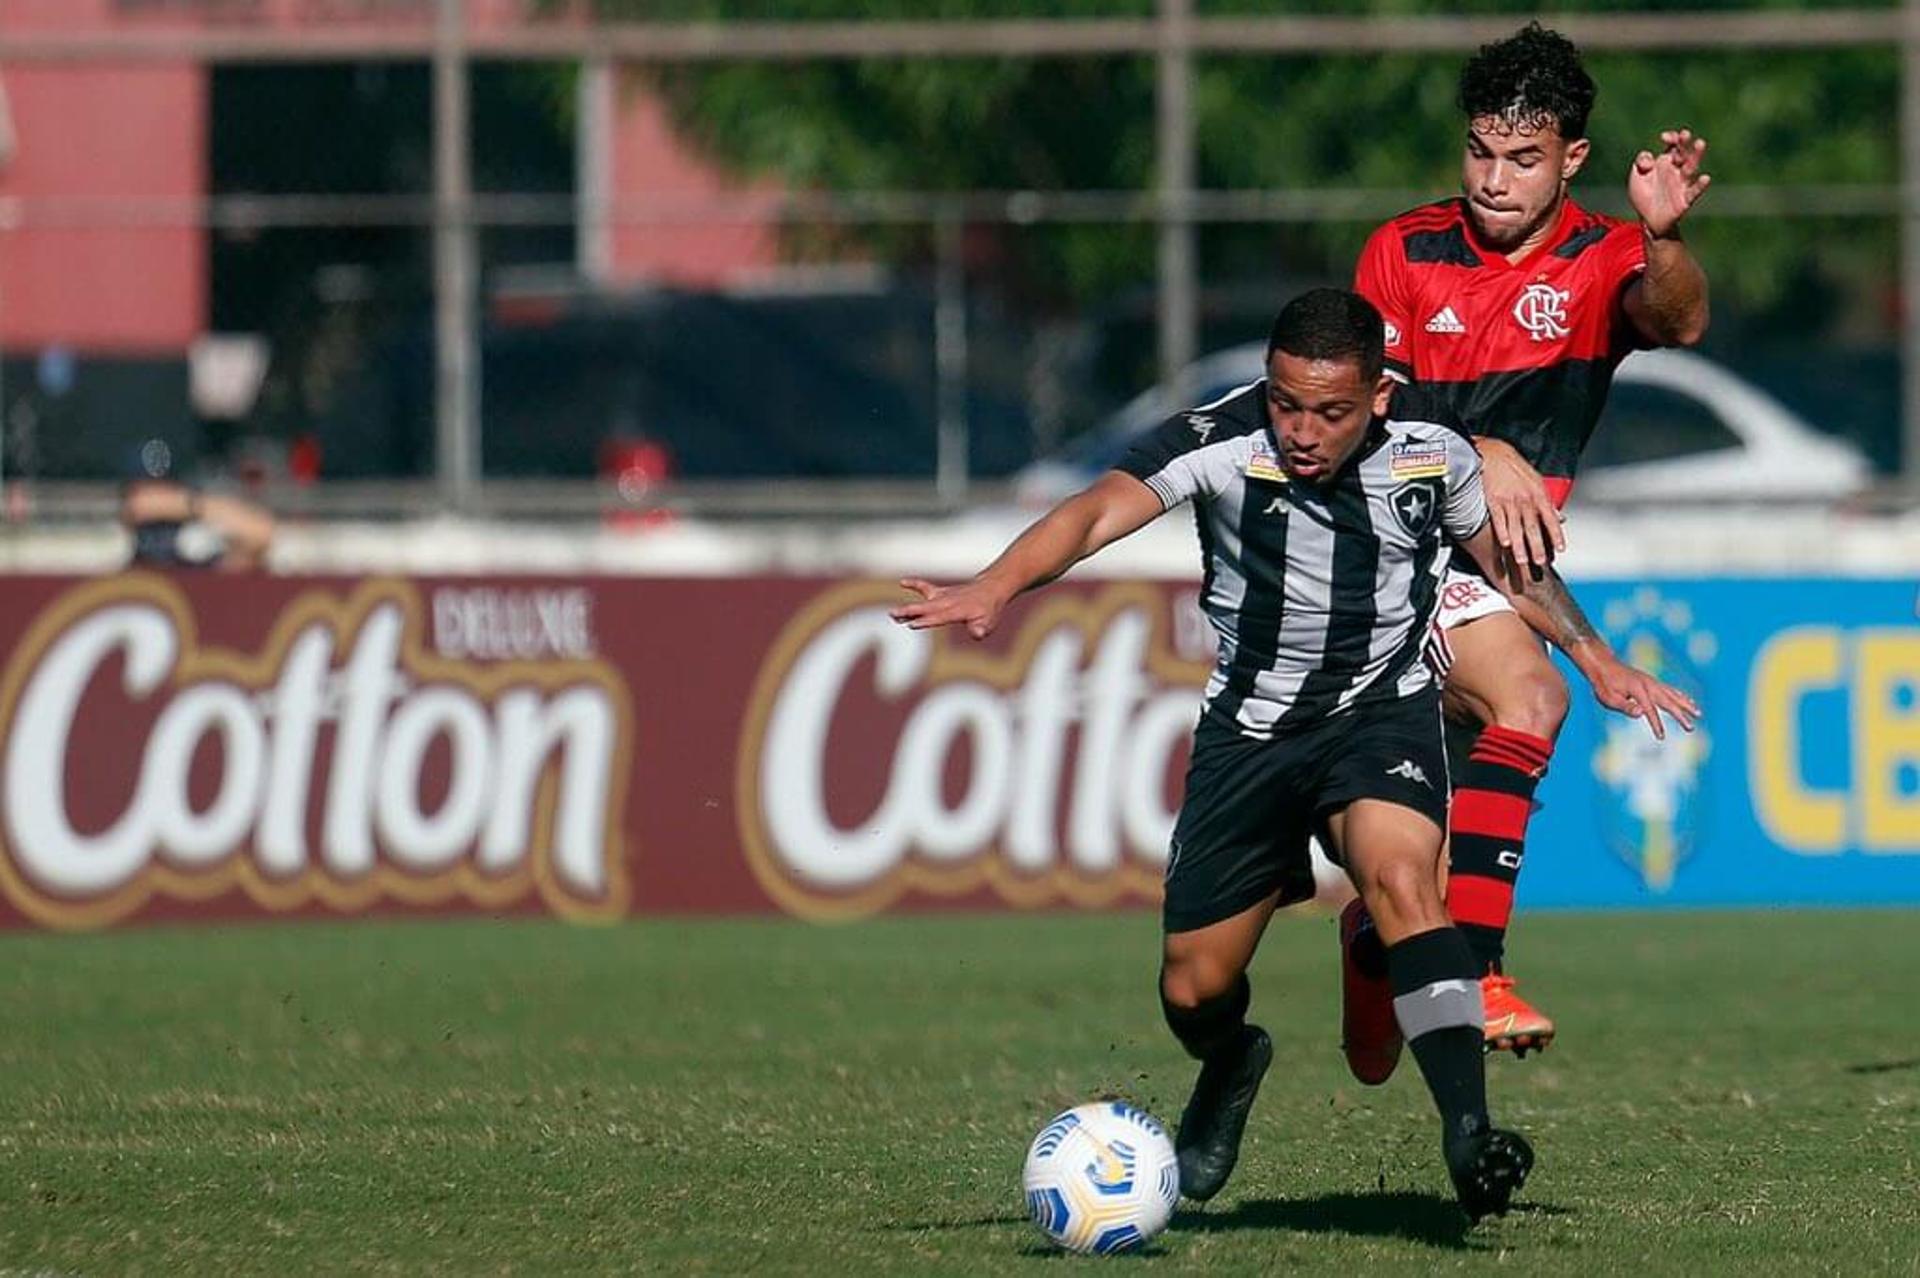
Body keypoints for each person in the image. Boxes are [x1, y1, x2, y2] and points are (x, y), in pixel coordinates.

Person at [891, 290, 1696, 1219]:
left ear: (1380, 398)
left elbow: (1509, 561)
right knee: (1195, 986)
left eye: (1330, 411)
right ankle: (1234, 1061)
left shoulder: (1434, 454)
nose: (1302, 430)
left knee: (1401, 881)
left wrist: (1594, 657)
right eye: (1285, 402)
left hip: (1380, 717)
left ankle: (1469, 1136)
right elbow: (1093, 511)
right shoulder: (1219, 440)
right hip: (1252, 738)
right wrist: (996, 587)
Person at [1347, 22, 1712, 1071]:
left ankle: (1388, 949)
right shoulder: (1403, 250)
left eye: (1522, 159)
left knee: (1422, 861)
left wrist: (1666, 238)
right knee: (1533, 703)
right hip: (1381, 557)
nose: (1494, 180)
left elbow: (1676, 318)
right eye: (1479, 153)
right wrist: (1481, 448)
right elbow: (1369, 413)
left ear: (1573, 162)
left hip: (1482, 572)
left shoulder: (1604, 259)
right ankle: (1475, 968)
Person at [120, 440, 276, 571]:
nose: (151, 501)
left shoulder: (198, 540)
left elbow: (262, 533)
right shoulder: (120, 537)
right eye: (141, 490)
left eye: (160, 489)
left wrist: (184, 505)